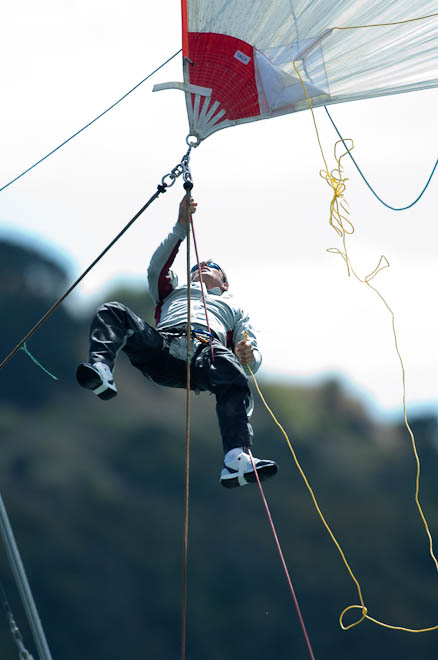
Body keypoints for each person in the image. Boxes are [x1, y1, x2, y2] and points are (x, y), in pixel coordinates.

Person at [76, 196, 278, 488]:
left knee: (232, 372)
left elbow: (251, 354)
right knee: (113, 312)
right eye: (197, 265)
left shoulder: (234, 308)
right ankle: (101, 371)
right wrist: (181, 228)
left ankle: (236, 458)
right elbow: (155, 269)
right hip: (164, 348)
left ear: (225, 284)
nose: (202, 266)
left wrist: (249, 355)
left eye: (212, 266)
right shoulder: (172, 289)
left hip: (205, 357)